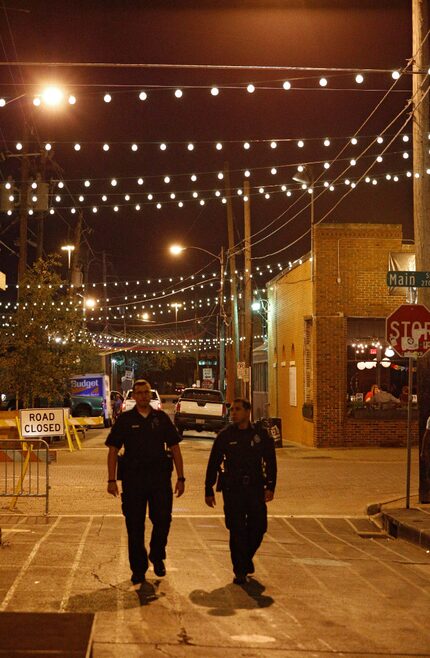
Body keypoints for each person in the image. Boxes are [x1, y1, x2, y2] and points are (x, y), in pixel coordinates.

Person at [106, 379, 185, 584]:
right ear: (133, 396)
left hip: (159, 480)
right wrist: (111, 480)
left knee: (163, 520)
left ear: (150, 395)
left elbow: (175, 447)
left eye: (146, 392)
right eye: (139, 393)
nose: (142, 396)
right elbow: (113, 450)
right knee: (134, 526)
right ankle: (138, 568)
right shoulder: (124, 420)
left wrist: (181, 477)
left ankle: (157, 555)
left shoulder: (161, 418)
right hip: (134, 481)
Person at [204, 398, 277, 585]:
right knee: (236, 530)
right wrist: (208, 488)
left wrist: (270, 486)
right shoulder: (225, 436)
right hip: (233, 489)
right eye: (231, 410)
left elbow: (270, 461)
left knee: (259, 528)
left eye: (237, 409)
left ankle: (245, 560)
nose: (233, 413)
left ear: (247, 411)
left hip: (254, 488)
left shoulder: (260, 435)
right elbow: (213, 462)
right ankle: (240, 570)